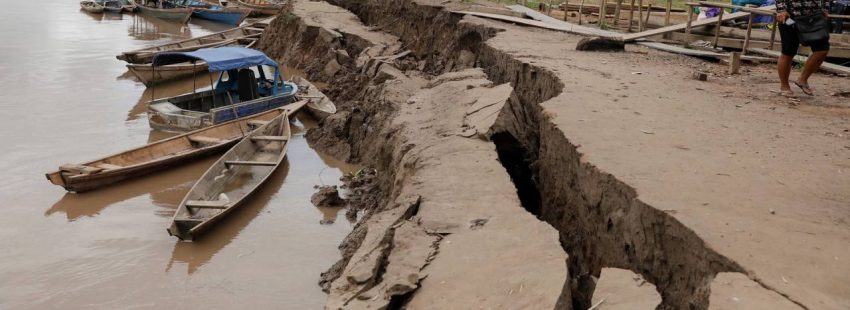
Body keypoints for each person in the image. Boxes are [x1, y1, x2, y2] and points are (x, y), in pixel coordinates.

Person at [775, 0, 831, 96]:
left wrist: (825, 9)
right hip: (790, 17)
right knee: (788, 51)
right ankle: (784, 86)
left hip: (814, 17)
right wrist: (781, 10)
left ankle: (802, 79)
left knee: (822, 49)